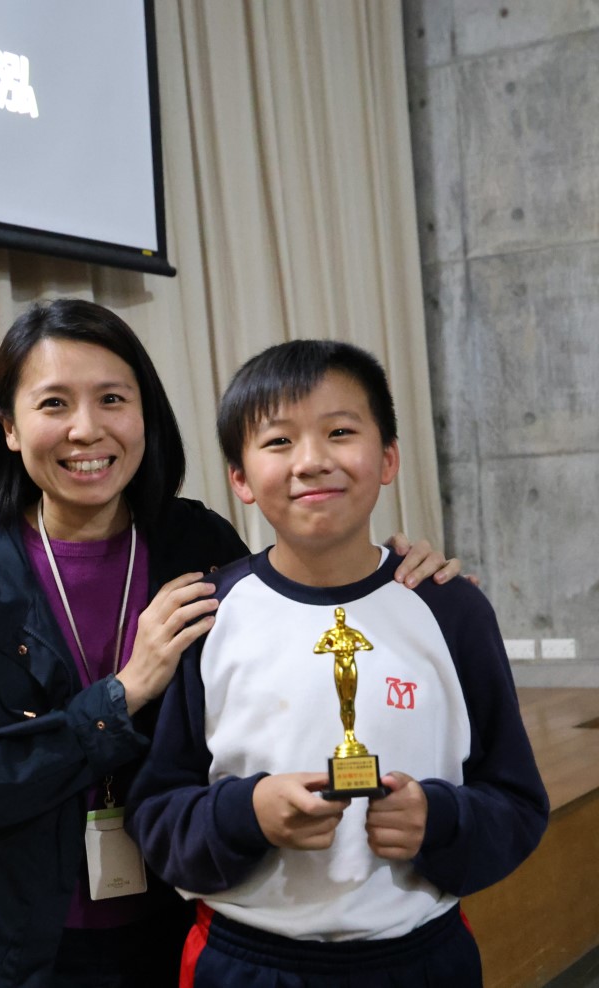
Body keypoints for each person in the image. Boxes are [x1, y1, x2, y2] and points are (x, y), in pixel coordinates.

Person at [0, 300, 463, 988]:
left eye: (112, 399)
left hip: (175, 921)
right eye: (54, 403)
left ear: (145, 414)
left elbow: (292, 662)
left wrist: (388, 579)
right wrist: (122, 695)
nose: (86, 428)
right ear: (9, 426)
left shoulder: (198, 544)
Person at [125, 339, 549, 988]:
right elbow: (156, 812)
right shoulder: (209, 615)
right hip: (248, 964)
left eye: (340, 432)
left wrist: (439, 821)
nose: (312, 460)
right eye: (278, 441)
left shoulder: (451, 608)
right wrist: (248, 812)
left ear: (388, 458)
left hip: (420, 960)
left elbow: (516, 802)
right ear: (240, 479)